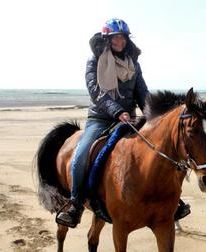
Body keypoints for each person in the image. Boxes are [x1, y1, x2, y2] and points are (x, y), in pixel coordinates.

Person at [56, 18, 149, 228]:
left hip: (129, 117)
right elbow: (96, 92)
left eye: (123, 37)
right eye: (116, 37)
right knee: (80, 156)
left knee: (157, 146)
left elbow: (142, 91)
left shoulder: (133, 63)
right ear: (107, 39)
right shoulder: (95, 61)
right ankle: (76, 204)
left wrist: (152, 113)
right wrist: (117, 111)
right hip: (100, 118)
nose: (120, 41)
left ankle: (170, 201)